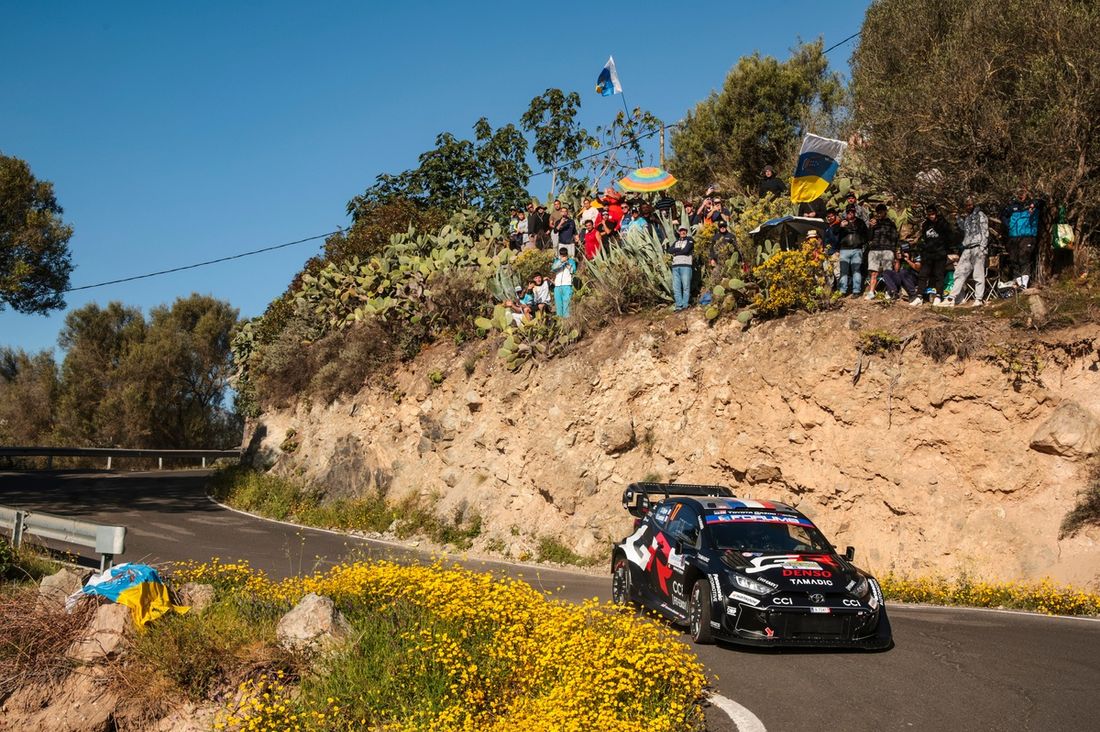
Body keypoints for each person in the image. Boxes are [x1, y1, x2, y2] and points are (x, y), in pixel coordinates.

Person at [944, 196, 989, 307]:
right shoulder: (968, 217)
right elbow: (965, 229)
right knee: (959, 272)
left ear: (974, 204)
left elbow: (985, 231)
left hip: (978, 247)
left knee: (978, 274)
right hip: (967, 248)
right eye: (966, 205)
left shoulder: (980, 215)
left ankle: (978, 299)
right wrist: (958, 218)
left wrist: (982, 248)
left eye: (970, 204)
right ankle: (952, 298)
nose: (968, 207)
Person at [916, 204, 955, 305]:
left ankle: (939, 295)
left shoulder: (943, 224)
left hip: (940, 253)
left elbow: (950, 238)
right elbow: (924, 238)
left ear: (936, 213)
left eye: (933, 214)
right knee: (923, 274)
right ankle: (919, 296)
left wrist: (944, 249)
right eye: (929, 214)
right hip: (928, 254)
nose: (931, 216)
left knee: (939, 275)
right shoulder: (925, 225)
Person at [1001, 187, 1038, 289]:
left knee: (1024, 257)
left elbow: (1040, 201)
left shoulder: (1034, 203)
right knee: (1014, 259)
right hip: (1013, 236)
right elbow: (1003, 215)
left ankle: (1024, 284)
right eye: (1019, 193)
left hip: (1028, 236)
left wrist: (1033, 205)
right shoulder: (1012, 206)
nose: (1021, 195)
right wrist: (1009, 226)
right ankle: (1017, 282)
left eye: (1023, 193)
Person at [865, 204, 898, 299]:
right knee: (873, 272)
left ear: (885, 212)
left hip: (887, 249)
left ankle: (889, 291)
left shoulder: (891, 223)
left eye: (881, 211)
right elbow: (869, 237)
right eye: (878, 212)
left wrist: (893, 250)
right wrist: (871, 227)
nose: (879, 214)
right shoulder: (873, 223)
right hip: (874, 249)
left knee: (887, 272)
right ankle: (871, 292)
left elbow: (895, 237)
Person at [837, 206, 869, 296]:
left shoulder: (860, 222)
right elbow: (836, 234)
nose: (850, 213)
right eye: (848, 212)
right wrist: (840, 227)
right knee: (844, 271)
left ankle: (856, 291)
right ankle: (842, 291)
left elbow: (866, 235)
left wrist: (861, 242)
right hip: (844, 249)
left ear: (855, 212)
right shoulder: (842, 222)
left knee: (856, 271)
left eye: (852, 211)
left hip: (857, 250)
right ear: (846, 213)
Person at [668, 225, 695, 311]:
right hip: (675, 266)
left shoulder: (690, 240)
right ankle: (679, 306)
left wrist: (676, 250)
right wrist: (680, 249)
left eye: (684, 231)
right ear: (679, 232)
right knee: (676, 287)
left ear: (686, 232)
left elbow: (686, 250)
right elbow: (669, 250)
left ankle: (685, 305)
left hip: (686, 265)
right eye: (681, 231)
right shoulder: (676, 242)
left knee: (686, 286)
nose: (682, 232)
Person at [550, 247, 576, 318]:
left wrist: (568, 265)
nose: (563, 256)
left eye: (564, 254)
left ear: (567, 254)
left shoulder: (571, 261)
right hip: (558, 285)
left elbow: (573, 271)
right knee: (558, 305)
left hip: (567, 285)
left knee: (566, 304)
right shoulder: (557, 261)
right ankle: (559, 320)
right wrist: (561, 261)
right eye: (561, 254)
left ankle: (566, 321)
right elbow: (553, 268)